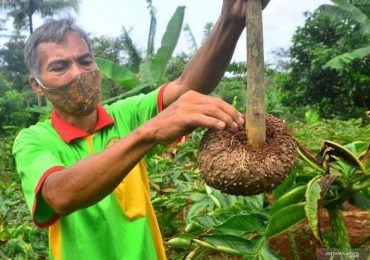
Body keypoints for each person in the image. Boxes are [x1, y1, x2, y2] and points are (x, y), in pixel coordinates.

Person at [13, 0, 270, 259]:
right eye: (60, 67)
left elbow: (185, 88)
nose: (78, 73)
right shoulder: (34, 139)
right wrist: (148, 132)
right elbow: (59, 195)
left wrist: (231, 21)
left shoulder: (126, 114)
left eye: (85, 61)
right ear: (37, 85)